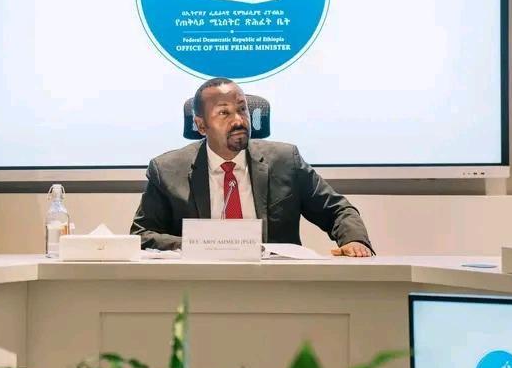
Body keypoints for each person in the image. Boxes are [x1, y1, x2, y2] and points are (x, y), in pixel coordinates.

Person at [130, 78, 373, 256]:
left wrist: (355, 241)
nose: (238, 120)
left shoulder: (285, 161)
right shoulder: (167, 170)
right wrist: (198, 245)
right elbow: (142, 236)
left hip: (275, 285)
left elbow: (338, 210)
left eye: (242, 109)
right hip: (200, 285)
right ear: (201, 126)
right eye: (224, 113)